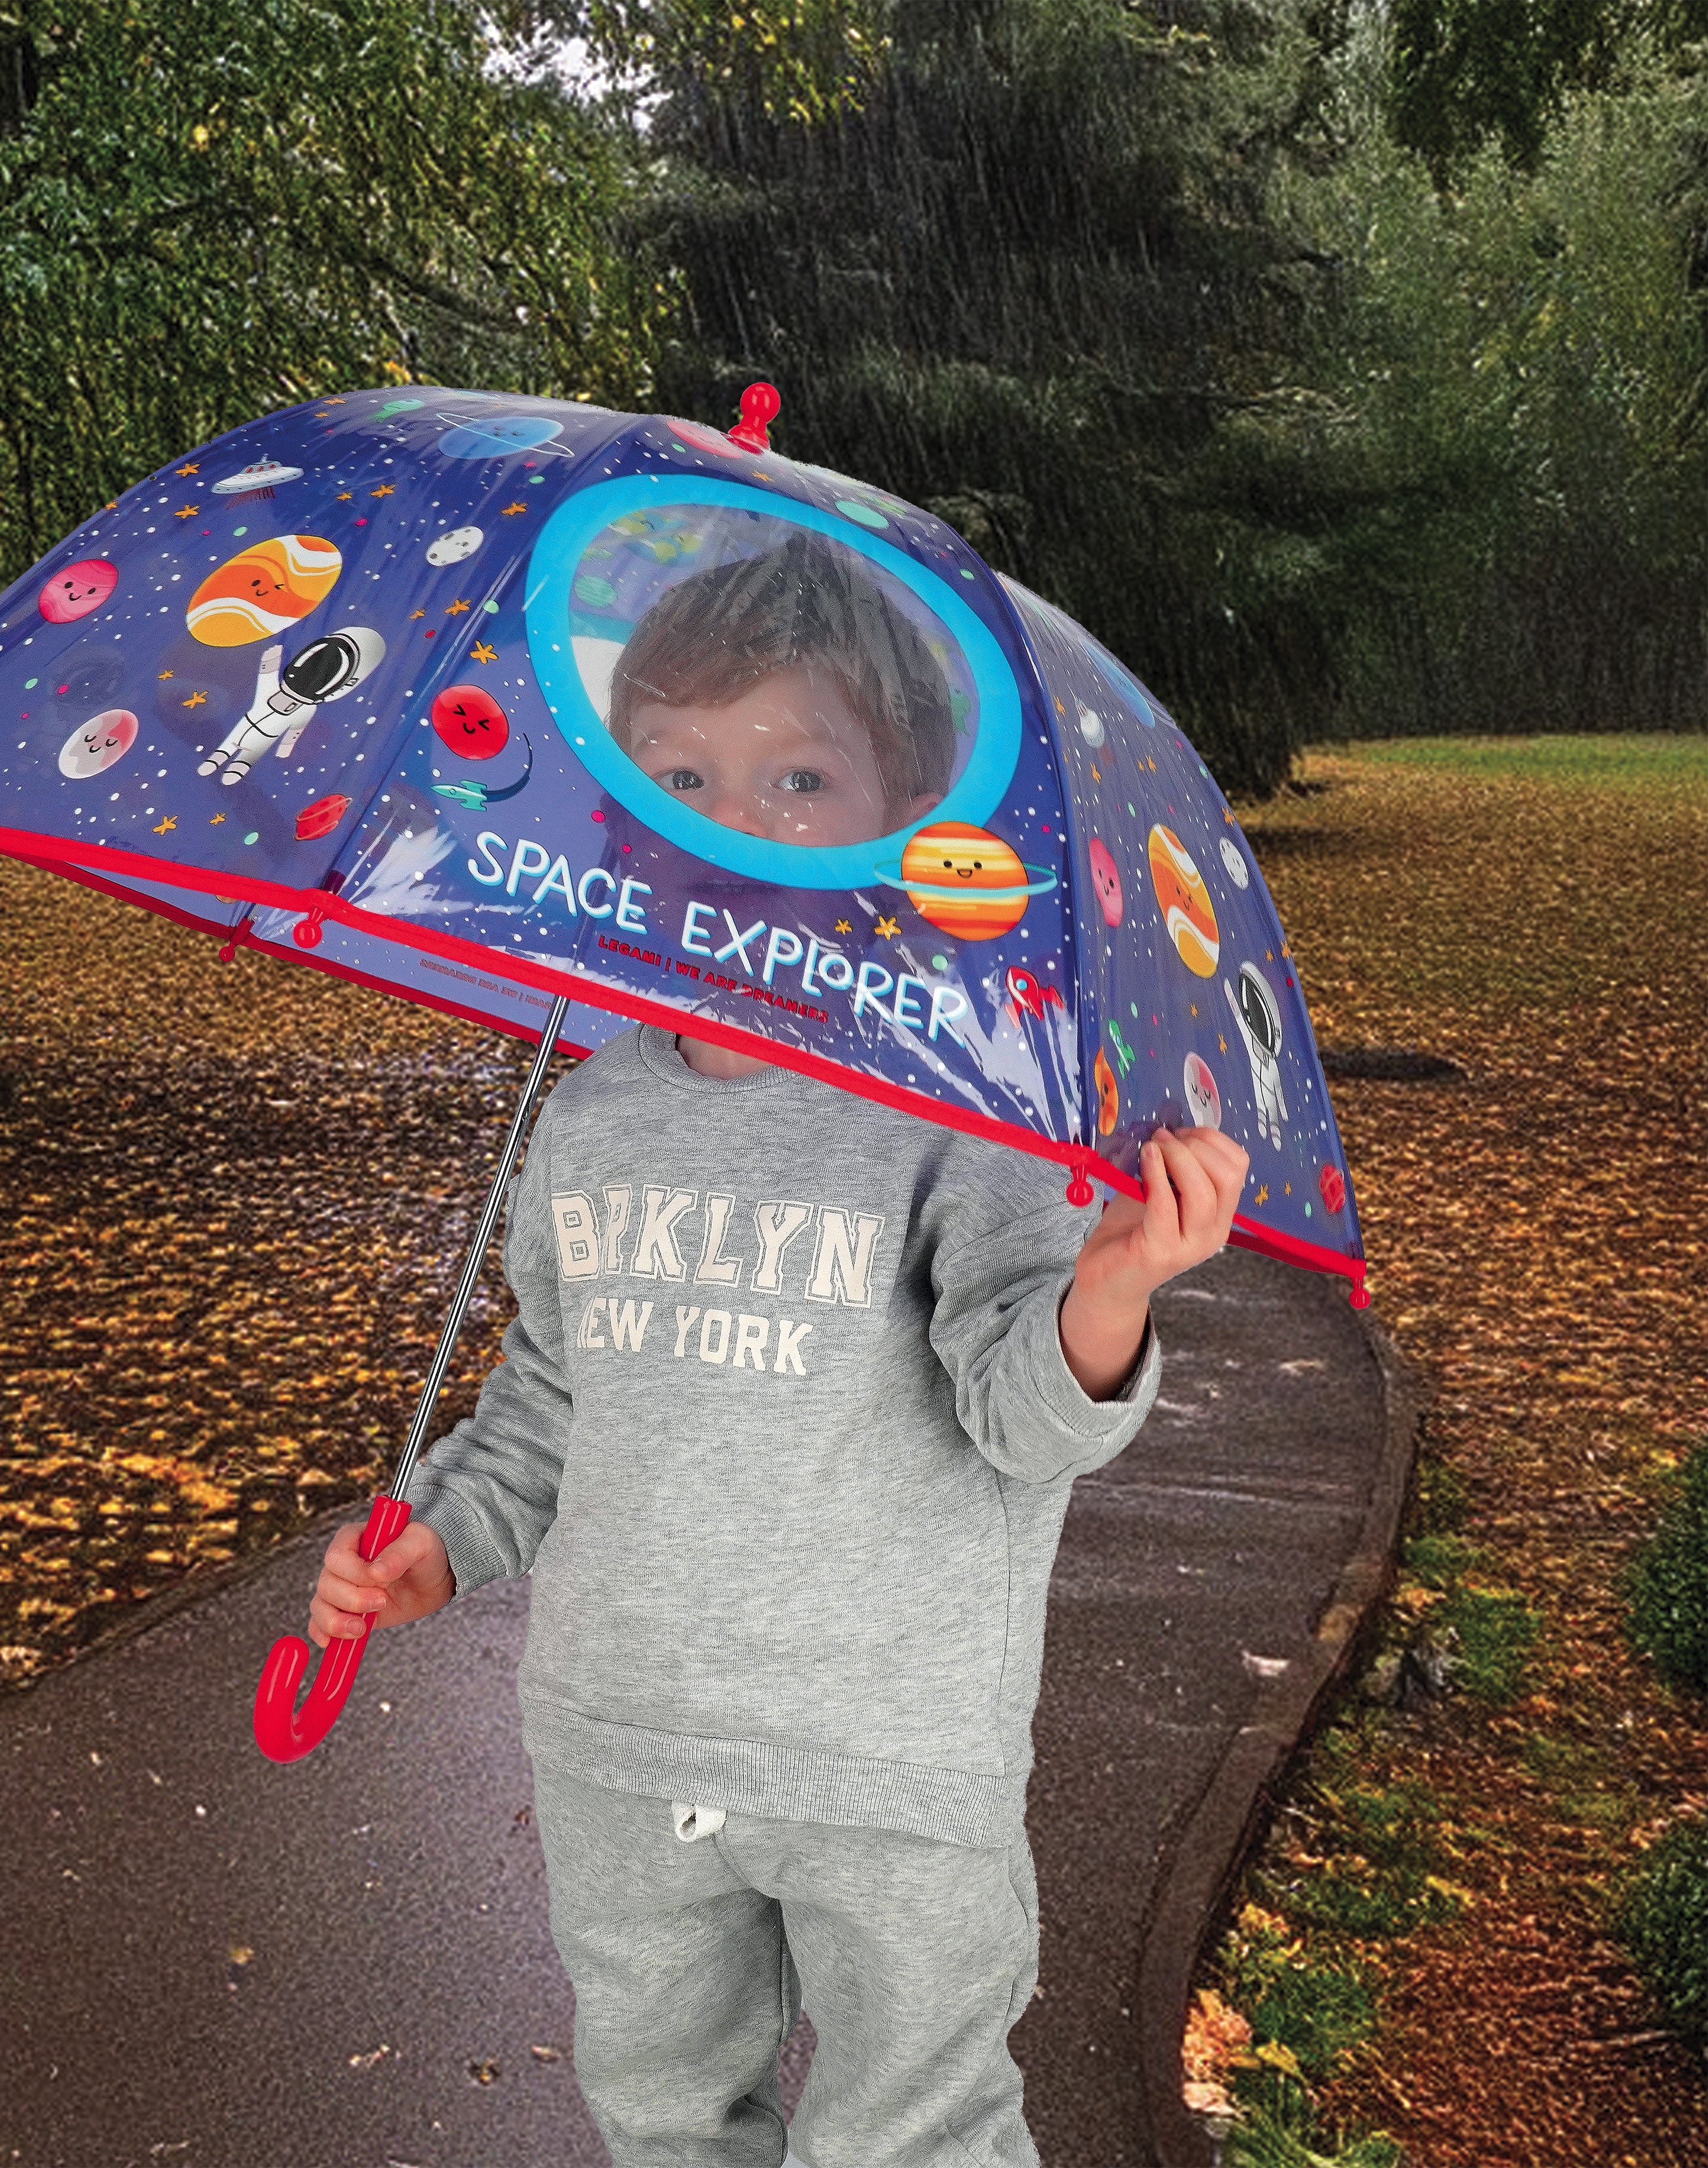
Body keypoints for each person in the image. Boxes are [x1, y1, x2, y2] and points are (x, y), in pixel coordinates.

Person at [305, 537, 1251, 2168]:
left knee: (914, 2137)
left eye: (798, 777)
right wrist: (443, 1545)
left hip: (888, 1761)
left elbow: (1026, 1422)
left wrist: (1111, 1292)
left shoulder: (962, 1122)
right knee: (668, 2120)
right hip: (618, 1736)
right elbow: (551, 1390)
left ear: (904, 816)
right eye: (678, 772)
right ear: (619, 803)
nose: (729, 819)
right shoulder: (592, 1109)